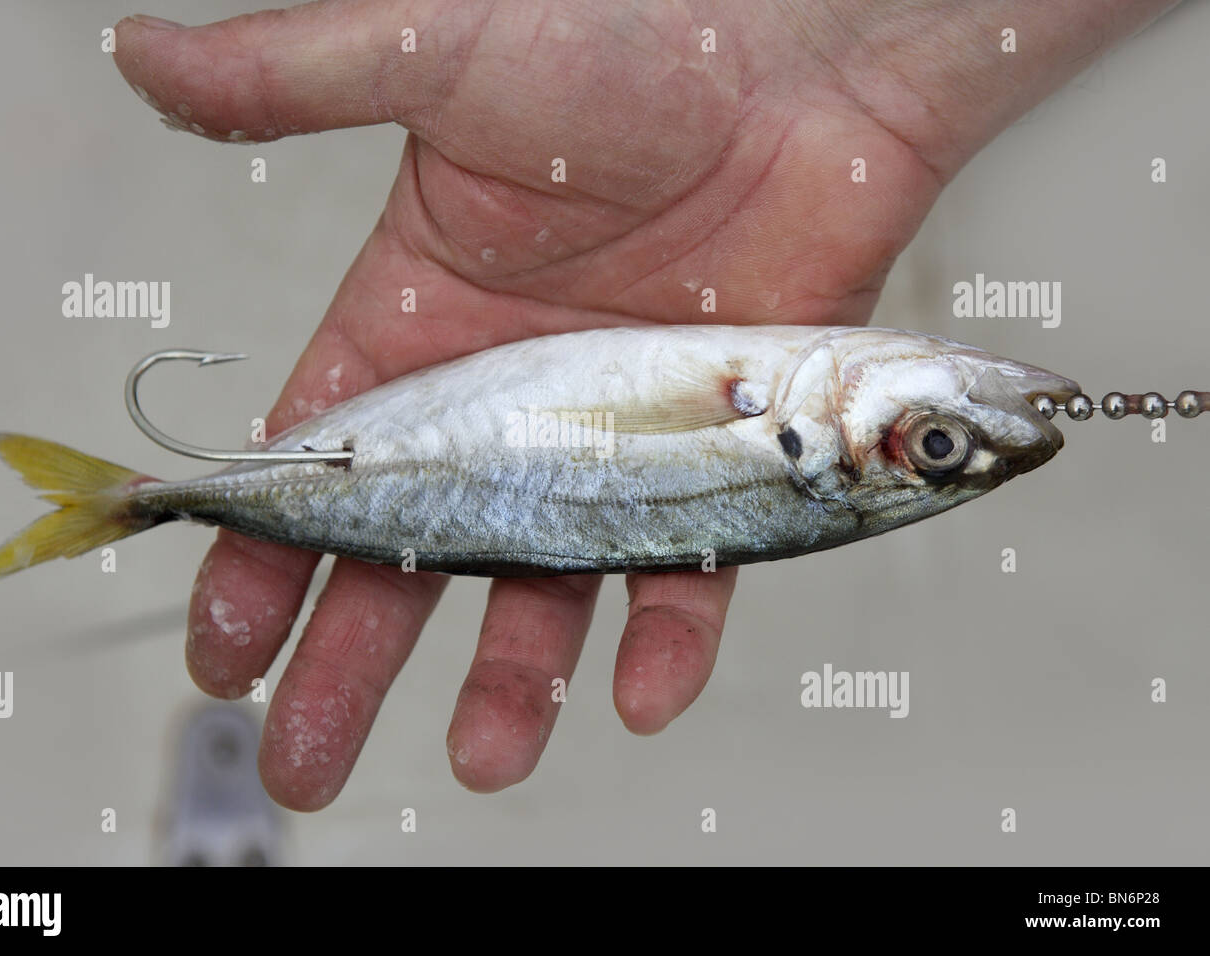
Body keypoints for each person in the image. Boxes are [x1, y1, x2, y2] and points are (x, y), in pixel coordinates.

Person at [113, 0, 1176, 811]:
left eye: (934, 443)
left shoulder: (788, 411)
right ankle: (161, 497)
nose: (953, 418)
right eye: (940, 443)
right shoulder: (790, 394)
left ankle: (150, 497)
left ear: (805, 442)